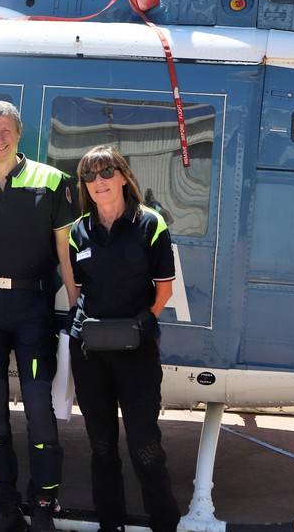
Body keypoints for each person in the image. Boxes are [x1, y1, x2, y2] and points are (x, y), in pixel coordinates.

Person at [0, 101, 79, 532]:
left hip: (33, 310)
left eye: (5, 130)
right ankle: (4, 505)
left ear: (19, 134)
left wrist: (76, 305)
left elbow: (65, 250)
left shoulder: (53, 180)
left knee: (39, 411)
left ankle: (43, 504)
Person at [67, 145, 181, 532]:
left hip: (136, 351)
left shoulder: (151, 224)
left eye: (105, 173)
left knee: (145, 446)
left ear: (122, 176)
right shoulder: (79, 230)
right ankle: (109, 523)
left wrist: (138, 325)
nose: (98, 182)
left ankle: (164, 523)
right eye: (89, 176)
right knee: (100, 446)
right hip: (90, 351)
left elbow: (163, 292)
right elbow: (80, 289)